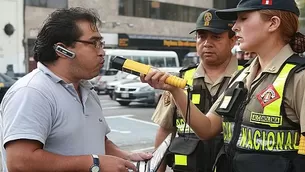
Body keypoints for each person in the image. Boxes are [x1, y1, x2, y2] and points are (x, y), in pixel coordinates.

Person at [142, 0, 305, 172]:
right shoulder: (243, 75)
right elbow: (207, 129)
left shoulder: (299, 77)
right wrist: (174, 90)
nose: (235, 27)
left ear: (273, 23)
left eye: (243, 18)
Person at [0, 7, 151, 172]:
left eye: (101, 44)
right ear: (62, 50)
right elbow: (20, 161)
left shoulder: (88, 91)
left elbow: (97, 140)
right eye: (94, 43)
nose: (102, 52)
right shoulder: (32, 92)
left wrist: (125, 156)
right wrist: (94, 164)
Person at [151, 9, 238, 172]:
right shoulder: (178, 80)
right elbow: (165, 130)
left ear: (233, 40)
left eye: (216, 37)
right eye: (201, 36)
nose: (207, 43)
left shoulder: (246, 78)